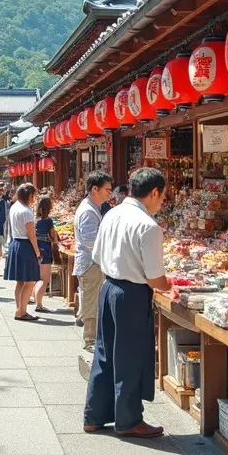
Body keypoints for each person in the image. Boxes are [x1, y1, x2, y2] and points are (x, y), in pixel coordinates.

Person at [84, 167, 170, 438]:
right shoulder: (148, 226)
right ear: (154, 192)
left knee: (104, 351)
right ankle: (128, 419)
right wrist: (171, 287)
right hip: (131, 294)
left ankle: (94, 415)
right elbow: (156, 278)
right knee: (130, 357)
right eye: (163, 196)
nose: (162, 202)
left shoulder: (112, 213)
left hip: (108, 287)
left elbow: (96, 255)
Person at [75, 171, 113, 351]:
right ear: (94, 189)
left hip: (91, 263)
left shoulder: (91, 207)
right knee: (91, 301)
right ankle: (90, 339)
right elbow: (90, 241)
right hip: (91, 264)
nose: (109, 193)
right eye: (107, 189)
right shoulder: (89, 211)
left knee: (90, 299)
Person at [5, 183, 42, 321]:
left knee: (20, 281)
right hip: (26, 245)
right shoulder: (26, 211)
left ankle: (19, 308)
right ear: (29, 195)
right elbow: (32, 234)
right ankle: (21, 311)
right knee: (29, 281)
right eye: (33, 196)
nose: (34, 199)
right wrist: (37, 251)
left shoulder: (14, 207)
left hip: (16, 243)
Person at [32, 195, 59, 313]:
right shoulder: (48, 221)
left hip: (36, 249)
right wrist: (57, 242)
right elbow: (53, 235)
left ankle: (36, 300)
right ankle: (39, 303)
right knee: (44, 279)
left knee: (37, 278)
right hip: (45, 250)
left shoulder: (35, 220)